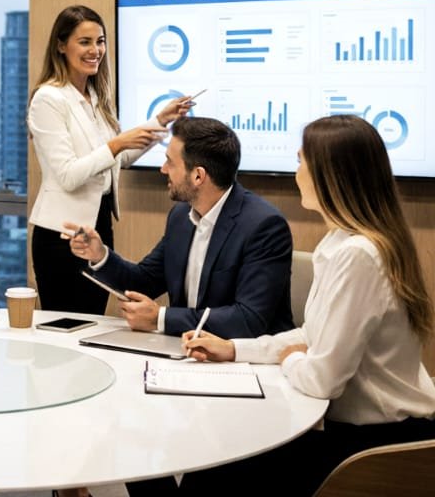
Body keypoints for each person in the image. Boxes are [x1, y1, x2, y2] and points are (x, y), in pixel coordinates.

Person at [180, 114, 435, 496]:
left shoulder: (359, 254)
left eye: (301, 161)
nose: (296, 171)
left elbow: (322, 378)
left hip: (377, 447)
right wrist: (234, 349)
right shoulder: (342, 242)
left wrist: (292, 359)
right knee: (215, 459)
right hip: (361, 431)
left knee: (214, 467)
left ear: (331, 175)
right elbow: (312, 336)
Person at [28, 5, 193, 314]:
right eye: (85, 42)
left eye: (100, 41)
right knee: (65, 327)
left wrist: (160, 120)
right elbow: (68, 175)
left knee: (93, 321)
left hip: (99, 225)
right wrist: (116, 144)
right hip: (62, 234)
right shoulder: (48, 98)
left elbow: (117, 159)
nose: (96, 50)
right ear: (61, 46)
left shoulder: (96, 96)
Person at [68, 116, 294, 338]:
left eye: (170, 162)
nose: (163, 169)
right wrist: (100, 255)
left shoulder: (264, 226)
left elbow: (248, 319)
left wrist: (161, 318)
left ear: (198, 176)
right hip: (186, 350)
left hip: (247, 356)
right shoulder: (180, 217)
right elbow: (144, 281)